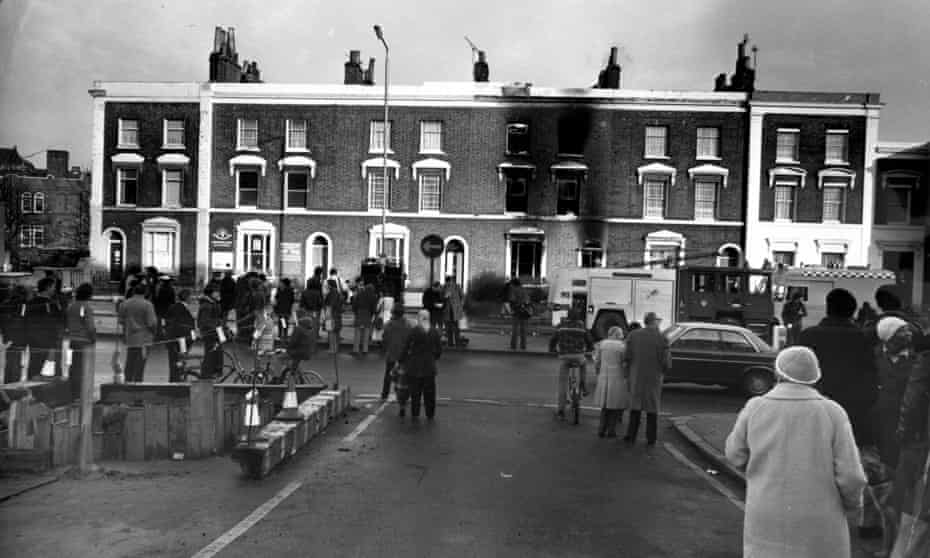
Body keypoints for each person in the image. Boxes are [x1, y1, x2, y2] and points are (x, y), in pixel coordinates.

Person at [725, 346, 867, 557]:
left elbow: (734, 454)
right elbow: (852, 476)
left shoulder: (755, 407)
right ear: (814, 377)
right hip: (821, 519)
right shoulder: (832, 412)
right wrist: (853, 505)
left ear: (777, 373)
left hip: (766, 512)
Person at [798, 288, 878, 447]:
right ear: (852, 312)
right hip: (853, 414)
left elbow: (798, 375)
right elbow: (871, 376)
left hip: (814, 410)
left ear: (827, 308)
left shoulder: (808, 336)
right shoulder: (863, 338)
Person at [889, 351, 930, 557]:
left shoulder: (925, 360)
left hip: (922, 445)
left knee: (918, 511)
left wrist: (905, 435)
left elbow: (913, 402)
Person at [623, 312, 671, 446]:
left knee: (635, 406)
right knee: (652, 408)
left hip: (636, 376)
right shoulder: (662, 338)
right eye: (658, 321)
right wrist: (664, 372)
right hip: (654, 378)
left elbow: (627, 356)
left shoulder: (633, 335)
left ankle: (631, 435)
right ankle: (651, 438)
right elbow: (666, 362)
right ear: (654, 322)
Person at [549, 308, 595, 419]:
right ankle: (583, 385)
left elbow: (553, 339)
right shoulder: (582, 326)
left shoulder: (561, 325)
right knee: (584, 364)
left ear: (568, 316)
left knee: (562, 384)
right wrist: (589, 348)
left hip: (564, 356)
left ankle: (561, 411)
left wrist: (552, 349)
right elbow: (589, 340)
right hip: (579, 356)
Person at [399, 310, 442, 420]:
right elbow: (439, 351)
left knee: (415, 393)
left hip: (415, 367)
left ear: (419, 318)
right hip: (429, 367)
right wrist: (433, 358)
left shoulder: (414, 331)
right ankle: (430, 414)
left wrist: (401, 360)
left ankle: (415, 413)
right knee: (430, 394)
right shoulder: (435, 332)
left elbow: (406, 347)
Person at [25, 277, 65, 379]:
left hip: (32, 341)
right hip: (47, 341)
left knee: (33, 367)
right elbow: (56, 323)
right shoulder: (52, 304)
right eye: (53, 287)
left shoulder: (30, 303)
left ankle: (31, 390)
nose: (54, 289)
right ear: (47, 288)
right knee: (46, 371)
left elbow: (25, 321)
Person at [593, 326, 629, 438]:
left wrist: (598, 371)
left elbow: (597, 361)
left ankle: (601, 429)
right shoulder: (622, 346)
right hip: (617, 376)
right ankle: (611, 431)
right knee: (615, 405)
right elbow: (624, 362)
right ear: (617, 334)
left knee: (605, 405)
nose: (622, 336)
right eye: (621, 334)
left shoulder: (602, 344)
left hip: (604, 376)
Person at [118, 283, 157, 383]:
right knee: (140, 366)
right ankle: (137, 389)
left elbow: (121, 321)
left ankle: (127, 384)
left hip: (130, 339)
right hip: (144, 340)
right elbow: (151, 324)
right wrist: (154, 334)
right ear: (146, 292)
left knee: (130, 363)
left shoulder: (125, 304)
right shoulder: (148, 305)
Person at [64, 283, 96, 401]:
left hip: (72, 340)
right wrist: (93, 338)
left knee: (73, 367)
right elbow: (90, 326)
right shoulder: (86, 307)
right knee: (83, 368)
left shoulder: (71, 306)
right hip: (84, 341)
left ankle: (73, 392)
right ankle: (81, 393)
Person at [164, 289, 196, 383]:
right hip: (180, 341)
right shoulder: (181, 309)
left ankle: (174, 379)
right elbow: (183, 326)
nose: (192, 298)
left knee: (174, 361)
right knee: (178, 361)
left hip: (173, 340)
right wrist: (192, 336)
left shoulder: (173, 307)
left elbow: (168, 323)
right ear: (186, 297)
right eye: (190, 296)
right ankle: (176, 381)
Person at [381, 305, 411, 402]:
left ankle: (384, 394)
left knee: (388, 374)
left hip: (391, 352)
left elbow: (384, 339)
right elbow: (410, 339)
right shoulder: (407, 325)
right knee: (404, 376)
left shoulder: (388, 324)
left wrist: (385, 349)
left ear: (393, 313)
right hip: (404, 353)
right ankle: (404, 394)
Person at [1, 285, 29, 384]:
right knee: (16, 363)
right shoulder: (23, 305)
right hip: (19, 336)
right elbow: (21, 320)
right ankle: (13, 387)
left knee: (10, 362)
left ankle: (8, 384)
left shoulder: (4, 304)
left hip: (7, 335)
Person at [197, 285, 225, 379]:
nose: (218, 293)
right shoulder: (207, 305)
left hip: (216, 332)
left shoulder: (213, 303)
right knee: (211, 353)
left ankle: (214, 371)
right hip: (211, 333)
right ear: (211, 293)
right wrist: (216, 327)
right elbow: (205, 322)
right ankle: (207, 374)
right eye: (216, 291)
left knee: (217, 352)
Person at [351, 280, 378, 356]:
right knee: (366, 332)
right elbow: (374, 308)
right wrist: (371, 314)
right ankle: (365, 350)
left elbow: (354, 305)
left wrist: (356, 312)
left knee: (358, 332)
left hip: (359, 313)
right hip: (368, 314)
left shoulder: (360, 294)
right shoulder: (374, 296)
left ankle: (356, 350)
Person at [442, 275, 465, 347]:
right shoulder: (444, 287)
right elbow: (441, 297)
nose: (449, 284)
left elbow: (462, 296)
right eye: (448, 283)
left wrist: (460, 305)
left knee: (456, 327)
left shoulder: (457, 287)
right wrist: (445, 296)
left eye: (450, 282)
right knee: (448, 328)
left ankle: (457, 342)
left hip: (455, 311)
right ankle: (450, 343)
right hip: (447, 311)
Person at [508, 278, 530, 351]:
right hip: (525, 311)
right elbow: (528, 300)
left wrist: (512, 309)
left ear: (513, 284)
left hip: (517, 311)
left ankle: (513, 345)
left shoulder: (514, 290)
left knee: (515, 329)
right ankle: (523, 346)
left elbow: (512, 300)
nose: (510, 286)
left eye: (511, 285)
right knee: (523, 329)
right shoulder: (524, 290)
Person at [323, 278, 344, 354]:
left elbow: (330, 305)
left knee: (332, 332)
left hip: (332, 314)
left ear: (330, 285)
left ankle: (332, 349)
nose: (326, 285)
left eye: (327, 284)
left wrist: (327, 315)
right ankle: (336, 348)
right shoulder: (337, 292)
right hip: (336, 314)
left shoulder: (332, 292)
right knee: (336, 331)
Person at [274, 278, 295, 344]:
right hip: (282, 309)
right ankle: (282, 336)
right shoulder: (281, 289)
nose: (280, 284)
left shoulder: (288, 290)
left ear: (284, 284)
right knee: (282, 322)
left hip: (284, 309)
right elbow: (276, 298)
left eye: (281, 283)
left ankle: (283, 336)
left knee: (283, 322)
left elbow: (291, 300)